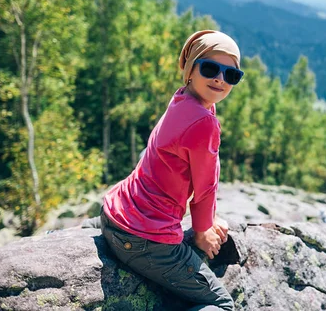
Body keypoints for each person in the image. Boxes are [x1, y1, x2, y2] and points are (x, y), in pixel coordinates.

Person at [100, 30, 244, 310]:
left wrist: (208, 222)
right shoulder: (203, 121)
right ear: (191, 70)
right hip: (144, 240)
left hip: (113, 215)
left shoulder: (183, 99)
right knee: (223, 305)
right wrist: (203, 232)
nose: (220, 79)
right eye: (211, 68)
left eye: (231, 75)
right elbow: (205, 189)